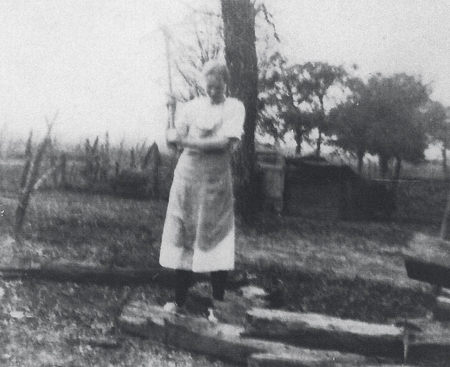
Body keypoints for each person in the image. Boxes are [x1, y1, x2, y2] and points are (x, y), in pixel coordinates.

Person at [159, 60, 245, 320]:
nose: (213, 90)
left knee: (216, 237)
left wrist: (185, 141)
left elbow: (222, 143)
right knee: (185, 235)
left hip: (215, 182)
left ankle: (217, 306)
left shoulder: (234, 107)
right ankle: (179, 301)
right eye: (208, 86)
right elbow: (171, 142)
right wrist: (171, 113)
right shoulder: (192, 107)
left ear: (225, 83)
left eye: (217, 86)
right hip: (187, 178)